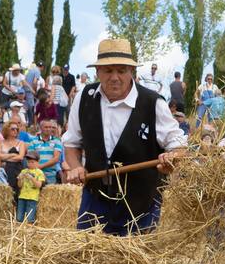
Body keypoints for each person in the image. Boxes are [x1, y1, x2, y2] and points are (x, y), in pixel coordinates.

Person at [61, 39, 186, 233]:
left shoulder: (152, 103)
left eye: (121, 70)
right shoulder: (84, 97)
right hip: (95, 201)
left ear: (131, 72)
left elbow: (178, 145)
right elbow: (71, 144)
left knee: (133, 263)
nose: (115, 77)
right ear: (98, 72)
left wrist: (171, 158)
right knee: (86, 261)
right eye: (108, 71)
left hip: (139, 205)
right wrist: (76, 167)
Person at [29, 118, 64, 184]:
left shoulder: (57, 141)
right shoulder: (33, 141)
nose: (48, 129)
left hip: (51, 175)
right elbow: (31, 157)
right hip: (36, 174)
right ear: (40, 128)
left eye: (50, 127)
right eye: (46, 127)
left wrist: (41, 166)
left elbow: (56, 158)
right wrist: (38, 169)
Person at [16, 150, 46, 223]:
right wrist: (20, 179)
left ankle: (29, 229)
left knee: (30, 218)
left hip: (32, 198)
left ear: (37, 162)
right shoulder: (23, 171)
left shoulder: (39, 172)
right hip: (22, 196)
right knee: (19, 217)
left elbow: (39, 185)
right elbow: (19, 185)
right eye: (28, 162)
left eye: (32, 162)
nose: (30, 164)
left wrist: (31, 178)